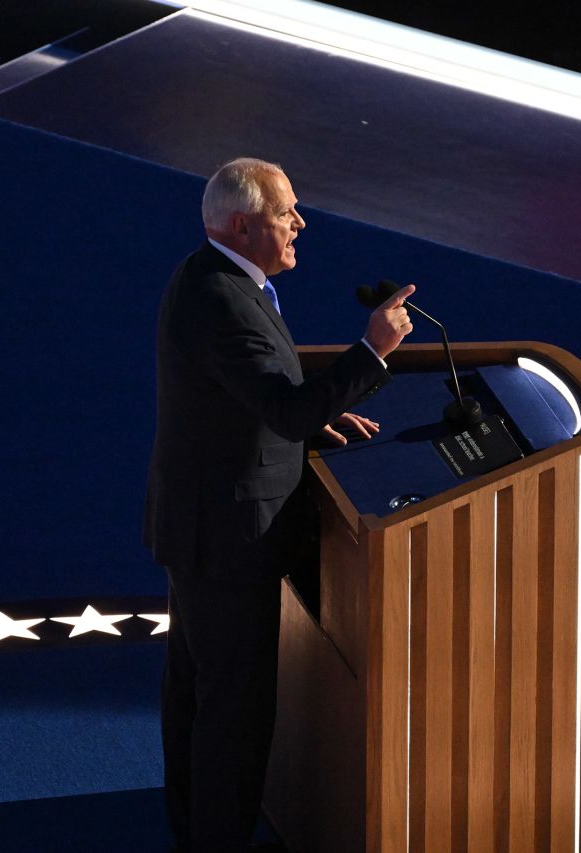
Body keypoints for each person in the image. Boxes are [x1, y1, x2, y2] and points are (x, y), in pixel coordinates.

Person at [142, 157, 415, 852]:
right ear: (242, 224)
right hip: (229, 540)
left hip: (204, 525)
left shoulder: (214, 278)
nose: (300, 222)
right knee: (230, 712)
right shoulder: (227, 299)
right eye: (286, 211)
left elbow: (249, 397)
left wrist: (305, 420)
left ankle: (192, 825)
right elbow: (286, 408)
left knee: (197, 692)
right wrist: (372, 353)